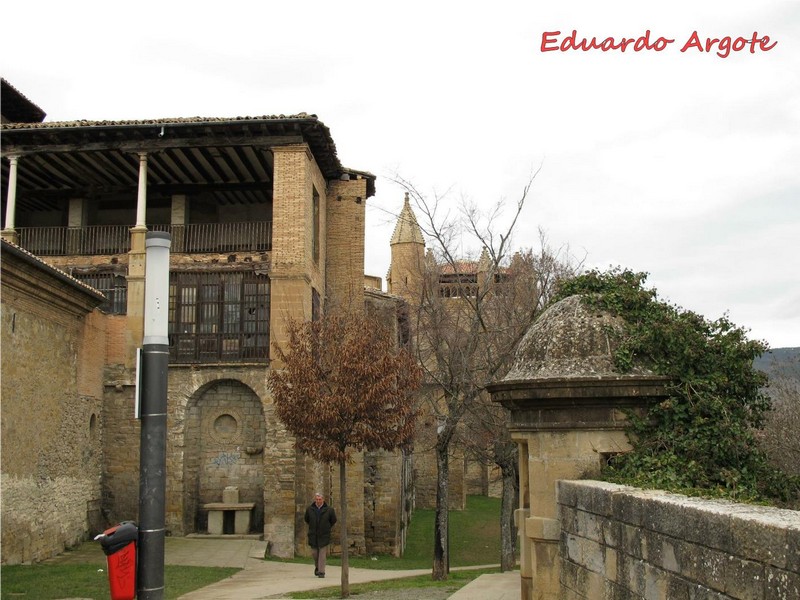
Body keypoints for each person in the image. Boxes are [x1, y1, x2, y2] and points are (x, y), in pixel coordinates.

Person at [304, 492, 337, 578]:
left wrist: (327, 527)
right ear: (315, 500)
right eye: (317, 499)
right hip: (313, 534)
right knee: (315, 553)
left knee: (322, 553)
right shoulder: (310, 509)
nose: (318, 501)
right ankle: (318, 567)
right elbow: (307, 519)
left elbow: (333, 520)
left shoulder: (329, 510)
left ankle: (321, 572)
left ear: (323, 500)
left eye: (320, 499)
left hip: (324, 535)